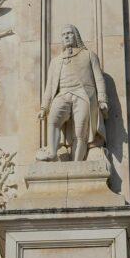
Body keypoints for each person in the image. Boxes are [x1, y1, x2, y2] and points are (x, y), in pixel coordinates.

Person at [37, 24, 108, 162]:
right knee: (53, 120)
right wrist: (44, 107)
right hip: (62, 95)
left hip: (83, 95)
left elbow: (99, 78)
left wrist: (102, 100)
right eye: (64, 35)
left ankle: (77, 162)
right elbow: (49, 87)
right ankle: (52, 152)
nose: (67, 36)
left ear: (76, 36)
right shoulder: (55, 61)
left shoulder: (89, 55)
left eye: (69, 33)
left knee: (80, 132)